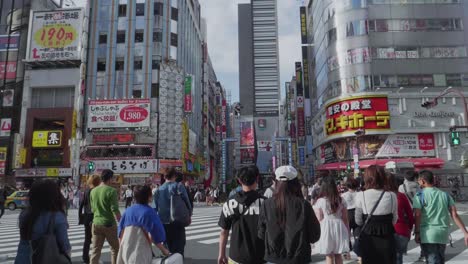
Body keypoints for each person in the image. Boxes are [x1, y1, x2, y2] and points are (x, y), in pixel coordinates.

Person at [258, 165, 321, 264]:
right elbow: (315, 235)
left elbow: (261, 233)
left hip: (274, 258)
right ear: (295, 183)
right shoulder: (303, 204)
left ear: (276, 182)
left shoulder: (266, 204)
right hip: (299, 258)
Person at [413, 170, 468, 264]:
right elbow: (454, 214)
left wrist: (417, 232)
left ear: (422, 181)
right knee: (440, 259)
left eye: (418, 180)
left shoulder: (419, 195)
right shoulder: (445, 195)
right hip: (443, 233)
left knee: (432, 260)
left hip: (427, 233)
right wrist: (465, 233)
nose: (418, 182)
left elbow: (418, 214)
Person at [217, 165, 266, 264]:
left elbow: (224, 231)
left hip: (236, 257)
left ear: (239, 181)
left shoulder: (230, 203)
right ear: (257, 179)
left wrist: (221, 254)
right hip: (261, 256)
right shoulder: (265, 203)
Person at [15, 179, 70, 264]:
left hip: (22, 258)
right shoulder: (57, 217)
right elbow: (65, 246)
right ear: (55, 195)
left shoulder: (25, 214)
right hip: (46, 259)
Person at [355, 165, 398, 264]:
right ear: (383, 178)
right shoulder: (392, 195)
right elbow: (395, 219)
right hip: (387, 235)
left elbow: (358, 220)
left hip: (368, 237)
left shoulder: (361, 195)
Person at [117, 185, 170, 263]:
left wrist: (121, 249)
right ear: (149, 197)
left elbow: (120, 233)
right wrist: (164, 251)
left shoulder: (128, 211)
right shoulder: (150, 212)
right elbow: (155, 236)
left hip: (125, 249)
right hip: (140, 252)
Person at [154, 167, 193, 256]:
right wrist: (189, 215)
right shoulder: (179, 186)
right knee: (179, 248)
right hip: (178, 221)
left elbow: (154, 208)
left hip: (163, 222)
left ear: (164, 177)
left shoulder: (158, 190)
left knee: (167, 248)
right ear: (175, 176)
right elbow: (187, 202)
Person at [315, 177, 349, 264]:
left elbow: (319, 218)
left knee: (329, 255)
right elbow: (345, 218)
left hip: (326, 226)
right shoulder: (341, 200)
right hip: (339, 226)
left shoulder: (321, 201)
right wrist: (347, 231)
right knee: (338, 254)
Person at [90, 169, 121, 264]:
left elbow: (92, 209)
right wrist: (121, 220)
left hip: (96, 223)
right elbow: (114, 209)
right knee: (115, 249)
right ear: (110, 179)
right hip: (109, 223)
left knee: (95, 250)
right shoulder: (111, 191)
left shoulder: (93, 191)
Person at [386, 172, 414, 264]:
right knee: (398, 258)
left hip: (384, 232)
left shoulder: (381, 196)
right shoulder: (401, 196)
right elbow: (410, 214)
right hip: (401, 231)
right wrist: (409, 229)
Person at [79, 175, 101, 264]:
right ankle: (94, 259)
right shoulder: (95, 191)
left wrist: (80, 217)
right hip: (93, 217)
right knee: (96, 240)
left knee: (87, 239)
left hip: (87, 217)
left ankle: (85, 257)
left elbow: (82, 204)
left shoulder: (87, 190)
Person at [341, 178, 359, 258]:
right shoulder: (360, 193)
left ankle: (348, 250)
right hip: (357, 212)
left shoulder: (344, 195)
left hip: (347, 213)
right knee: (357, 232)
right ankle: (358, 249)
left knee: (347, 233)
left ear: (347, 186)